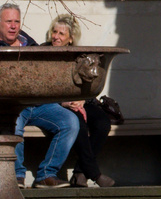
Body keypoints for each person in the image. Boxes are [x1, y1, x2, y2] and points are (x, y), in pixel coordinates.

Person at [13, 13, 116, 189]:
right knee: (77, 122)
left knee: (102, 122)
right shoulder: (42, 51)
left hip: (79, 101)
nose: (56, 37)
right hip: (57, 103)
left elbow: (90, 83)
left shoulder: (78, 54)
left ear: (70, 38)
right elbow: (40, 86)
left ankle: (79, 172)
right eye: (54, 32)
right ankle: (93, 173)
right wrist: (63, 103)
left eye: (61, 34)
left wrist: (82, 99)